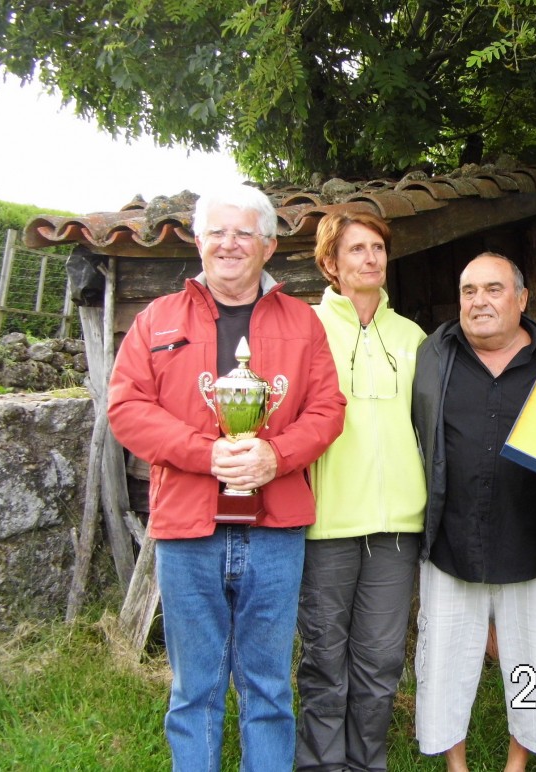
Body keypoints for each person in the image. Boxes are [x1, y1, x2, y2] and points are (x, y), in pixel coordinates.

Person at [107, 184, 345, 771]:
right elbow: (127, 408)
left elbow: (327, 410)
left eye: (244, 233)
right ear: (198, 241)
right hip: (187, 526)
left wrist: (275, 456)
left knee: (268, 685)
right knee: (195, 688)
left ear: (268, 246)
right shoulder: (156, 320)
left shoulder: (303, 322)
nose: (229, 244)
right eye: (217, 232)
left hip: (276, 527)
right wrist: (206, 454)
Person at [412, 253, 536, 772]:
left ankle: (516, 763)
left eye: (493, 289)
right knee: (443, 664)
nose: (479, 301)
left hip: (532, 542)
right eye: (469, 290)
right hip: (451, 541)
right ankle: (455, 765)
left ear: (522, 299)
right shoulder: (434, 355)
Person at [295, 212, 427, 771]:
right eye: (356, 249)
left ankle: (367, 761)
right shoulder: (304, 328)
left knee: (380, 661)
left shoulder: (413, 337)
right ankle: (321, 764)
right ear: (330, 263)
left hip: (398, 525)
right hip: (326, 522)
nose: (371, 258)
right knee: (325, 658)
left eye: (377, 247)